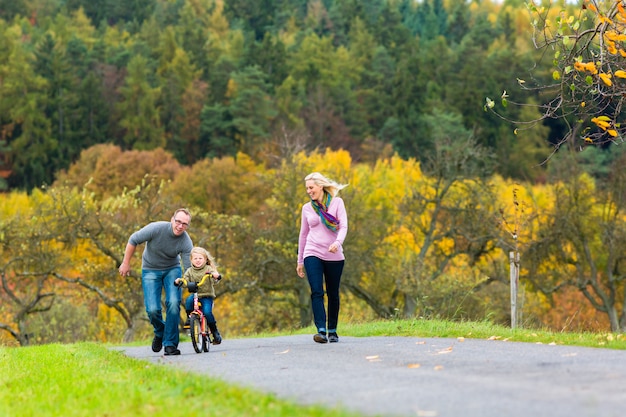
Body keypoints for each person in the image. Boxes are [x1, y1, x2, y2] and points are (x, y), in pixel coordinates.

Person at [118, 208, 194, 356]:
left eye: (184, 224)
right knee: (152, 310)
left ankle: (170, 344)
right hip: (150, 269)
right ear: (172, 219)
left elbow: (188, 267)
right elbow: (133, 240)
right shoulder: (156, 228)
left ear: (187, 226)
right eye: (178, 221)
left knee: (173, 303)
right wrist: (125, 263)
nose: (180, 226)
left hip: (172, 270)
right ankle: (160, 332)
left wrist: (190, 281)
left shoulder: (186, 241)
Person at [296, 172, 349, 343]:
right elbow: (303, 234)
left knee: (333, 294)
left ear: (320, 186)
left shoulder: (337, 203)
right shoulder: (306, 208)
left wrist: (338, 243)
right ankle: (321, 330)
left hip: (334, 254)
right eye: (307, 189)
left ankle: (332, 330)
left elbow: (343, 226)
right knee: (317, 291)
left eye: (311, 187)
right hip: (312, 252)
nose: (309, 191)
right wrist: (300, 260)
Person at [174, 247, 223, 344]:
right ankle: (190, 319)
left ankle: (215, 332)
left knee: (207, 312)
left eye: (200, 258)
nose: (198, 261)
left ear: (205, 259)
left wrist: (215, 276)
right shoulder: (189, 271)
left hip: (206, 296)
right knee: (188, 302)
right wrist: (179, 281)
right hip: (195, 295)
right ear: (191, 260)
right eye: (195, 258)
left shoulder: (208, 269)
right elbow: (185, 280)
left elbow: (214, 278)